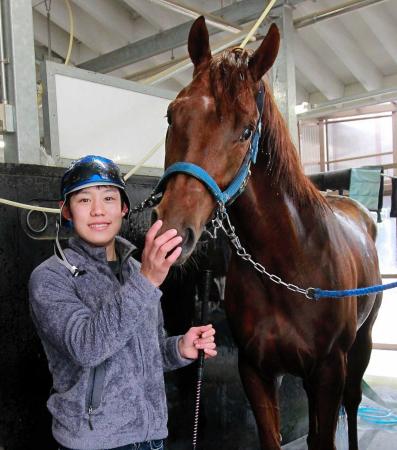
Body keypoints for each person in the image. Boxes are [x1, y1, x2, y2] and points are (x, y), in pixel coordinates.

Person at [28, 155, 217, 450]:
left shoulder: (135, 271)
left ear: (124, 208)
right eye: (84, 200)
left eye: (108, 198)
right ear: (66, 211)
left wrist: (179, 348)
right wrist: (148, 280)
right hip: (94, 443)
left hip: (151, 437)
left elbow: (148, 352)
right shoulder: (50, 278)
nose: (98, 211)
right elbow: (87, 347)